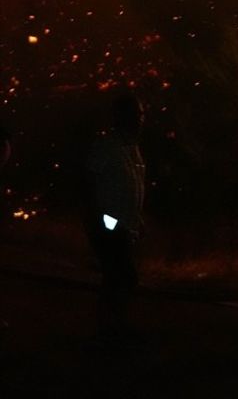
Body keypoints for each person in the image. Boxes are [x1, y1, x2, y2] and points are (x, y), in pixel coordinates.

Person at [86, 93, 146, 338]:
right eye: (136, 114)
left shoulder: (132, 149)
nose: (141, 119)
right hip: (111, 224)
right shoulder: (106, 146)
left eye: (141, 114)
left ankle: (112, 326)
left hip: (126, 224)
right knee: (122, 275)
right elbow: (89, 180)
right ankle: (111, 327)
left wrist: (137, 220)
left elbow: (133, 185)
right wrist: (103, 221)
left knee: (117, 278)